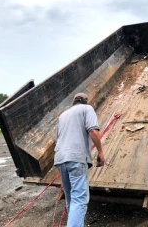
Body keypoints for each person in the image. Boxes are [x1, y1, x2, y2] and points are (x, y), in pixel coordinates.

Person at [54, 93, 105, 227]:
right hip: (76, 157)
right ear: (86, 102)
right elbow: (93, 131)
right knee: (80, 199)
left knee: (71, 199)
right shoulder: (87, 109)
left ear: (73, 103)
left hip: (60, 159)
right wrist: (100, 151)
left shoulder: (63, 115)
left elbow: (58, 138)